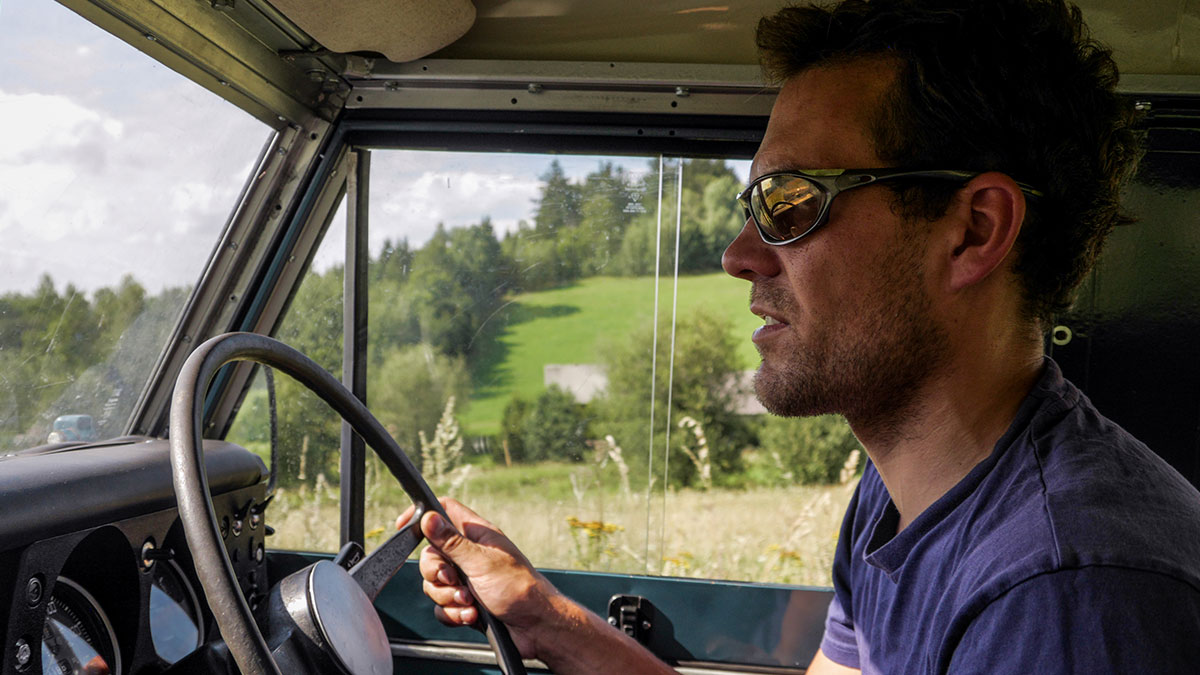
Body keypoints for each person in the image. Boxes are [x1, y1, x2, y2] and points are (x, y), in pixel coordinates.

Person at [397, 1, 1200, 672]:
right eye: (752, 208)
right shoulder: (901, 495)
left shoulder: (1068, 597)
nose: (740, 256)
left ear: (973, 231)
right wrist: (539, 616)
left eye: (791, 202)